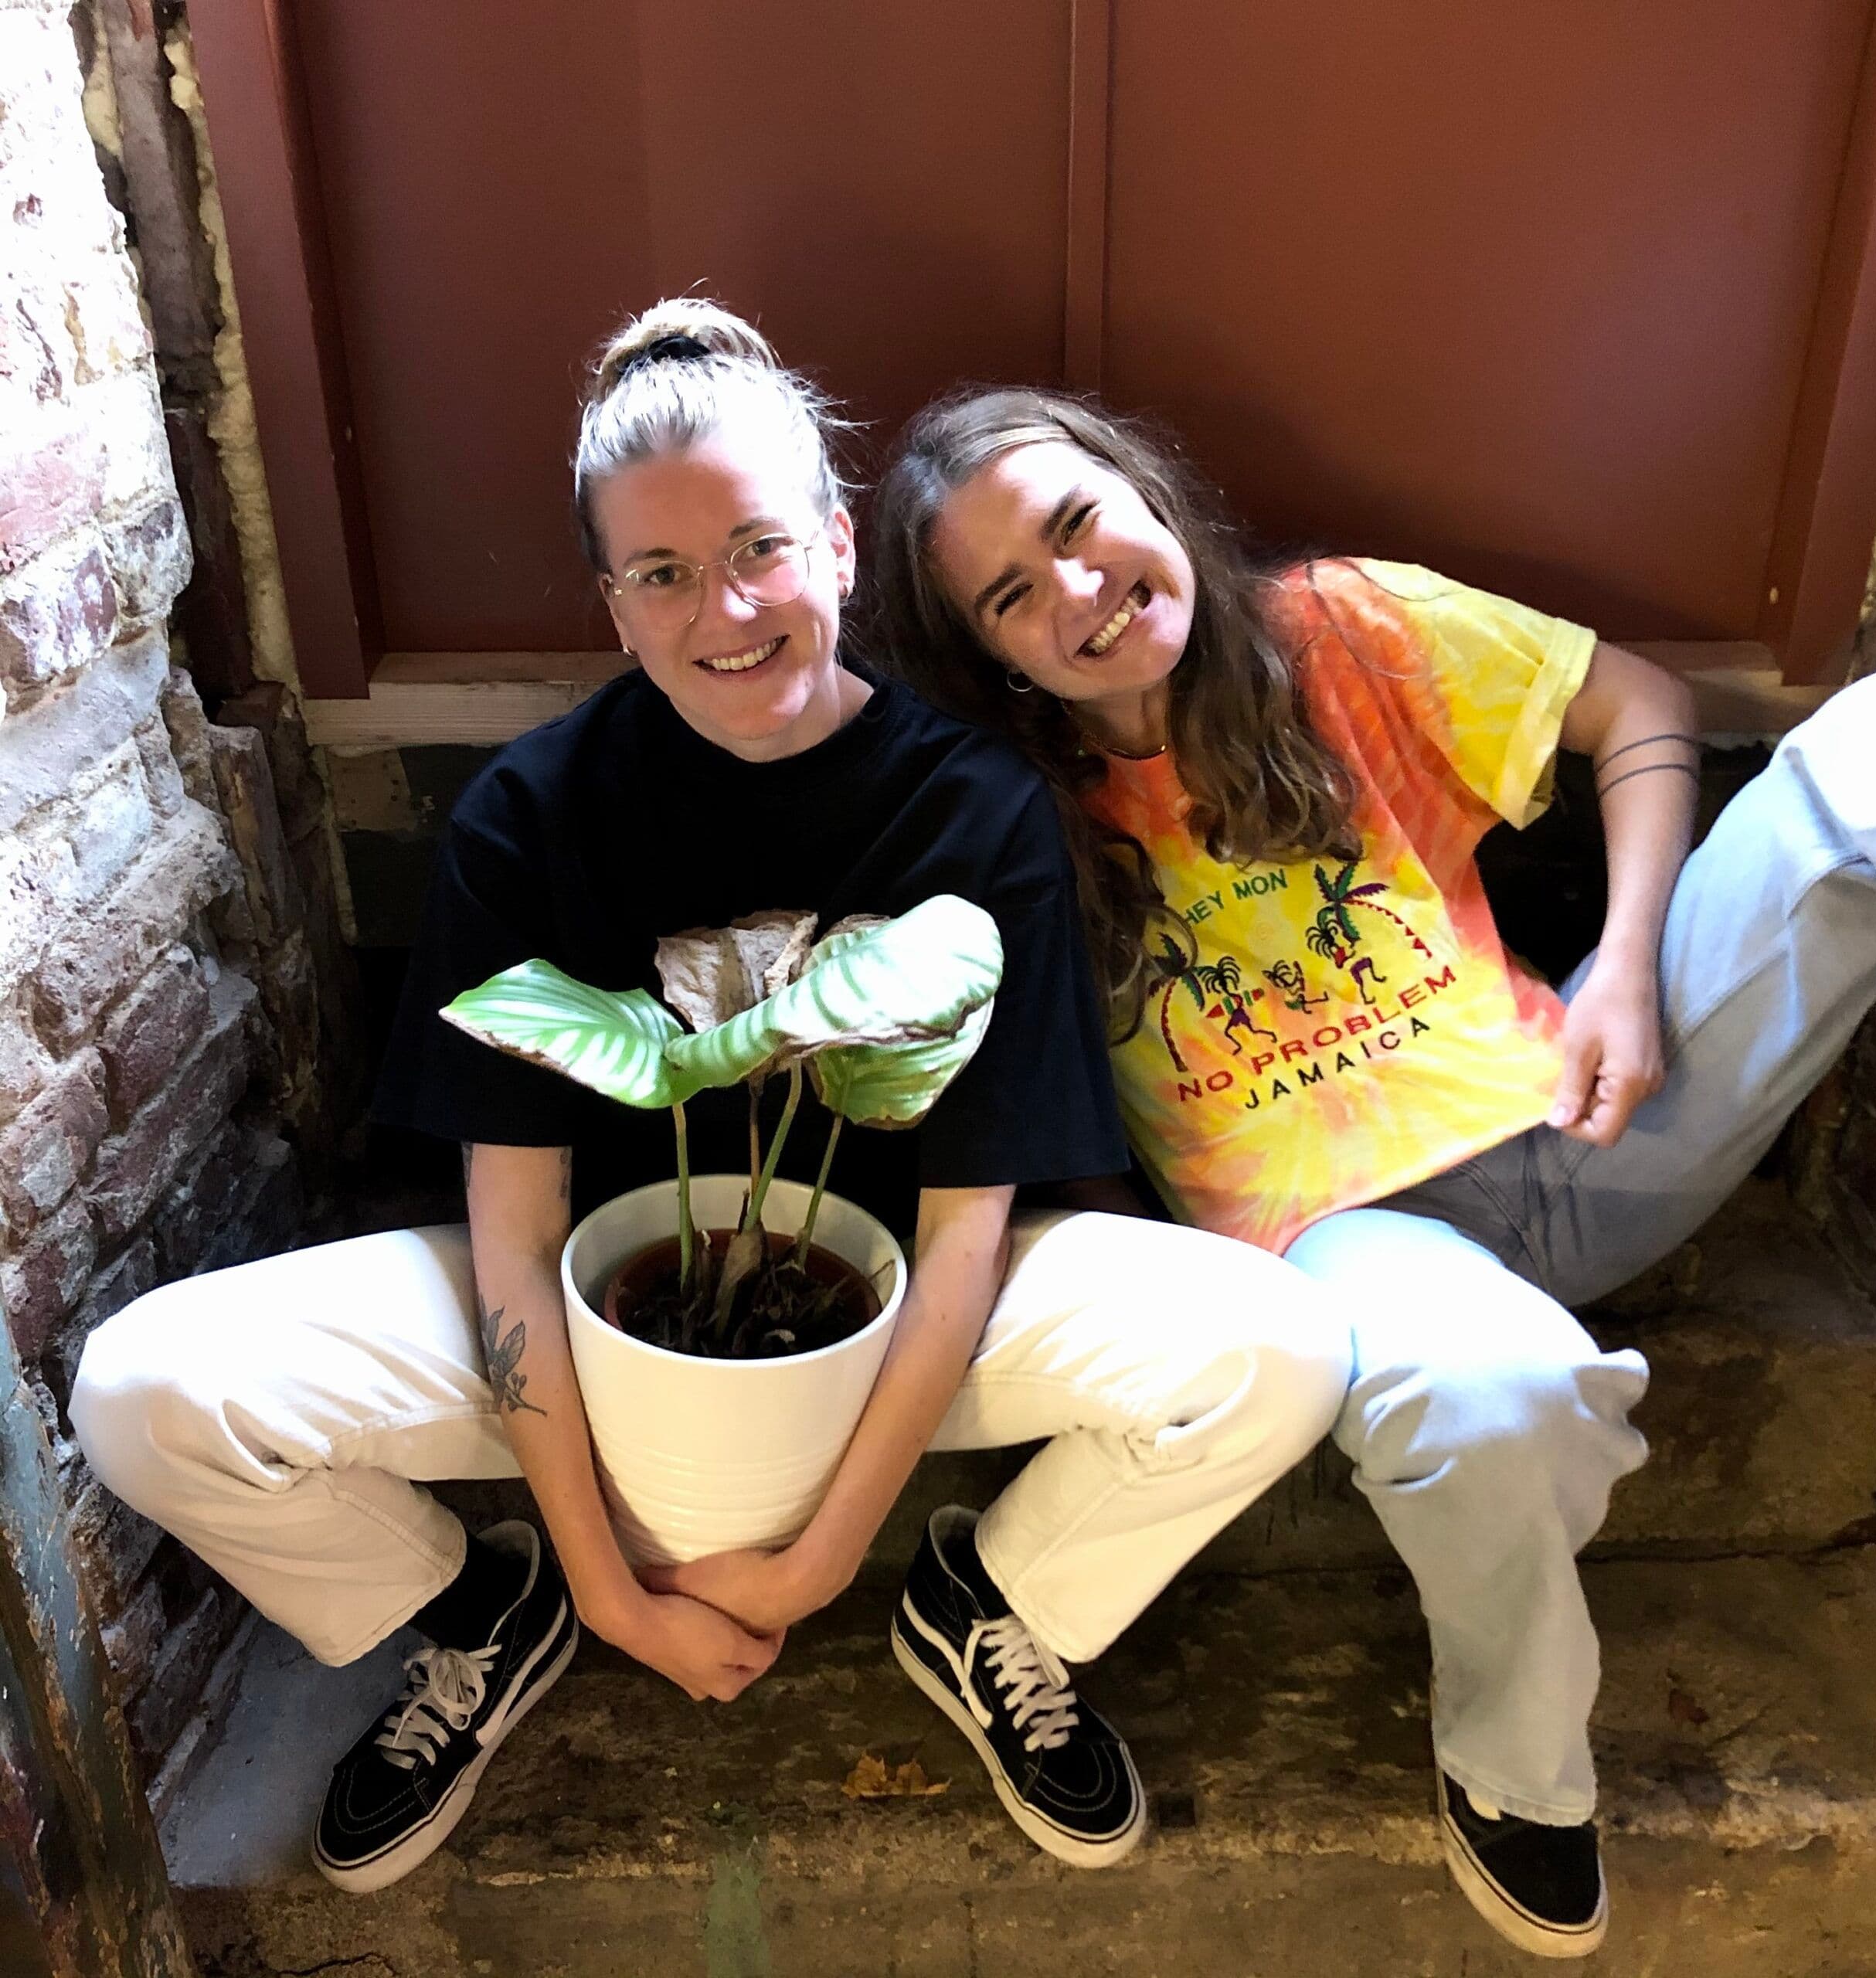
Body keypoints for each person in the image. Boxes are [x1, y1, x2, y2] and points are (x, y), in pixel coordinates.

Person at [69, 307, 1354, 1893]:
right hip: (596, 1339)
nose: (725, 610)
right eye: (662, 573)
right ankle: (481, 1611)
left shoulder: (976, 807)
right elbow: (514, 1234)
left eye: (759, 549)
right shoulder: (525, 816)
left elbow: (966, 1236)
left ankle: (996, 1604)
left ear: (835, 544)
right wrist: (606, 1585)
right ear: (613, 605)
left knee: (1281, 1350)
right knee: (141, 1393)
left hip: (895, 1334)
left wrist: (818, 1561)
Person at [869, 386, 1876, 1958]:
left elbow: (1636, 705)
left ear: (1138, 486)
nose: (1076, 588)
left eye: (1075, 520)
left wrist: (1622, 967)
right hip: (1349, 1239)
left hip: (1590, 1109)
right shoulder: (1007, 809)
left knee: (1869, 763)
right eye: (1009, 594)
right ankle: (1516, 1774)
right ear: (989, 652)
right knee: (1497, 1398)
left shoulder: (1337, 627)